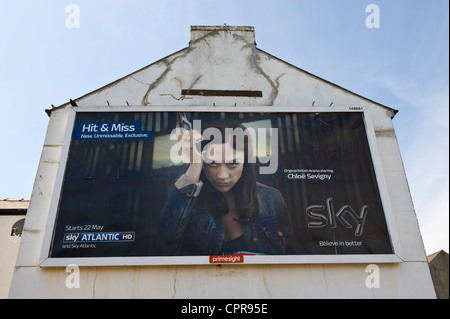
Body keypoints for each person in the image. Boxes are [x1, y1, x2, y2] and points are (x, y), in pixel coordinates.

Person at [159, 119, 291, 256]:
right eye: (212, 163)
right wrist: (195, 163)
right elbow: (166, 239)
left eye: (232, 164)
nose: (222, 175)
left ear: (245, 163)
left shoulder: (272, 199)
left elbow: (290, 256)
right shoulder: (186, 200)